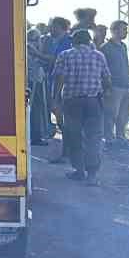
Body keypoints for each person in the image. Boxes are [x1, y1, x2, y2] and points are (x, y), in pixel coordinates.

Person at [51, 29, 111, 184]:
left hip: (72, 103)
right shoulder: (99, 56)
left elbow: (60, 78)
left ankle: (79, 171)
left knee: (75, 136)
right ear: (89, 41)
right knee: (93, 138)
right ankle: (92, 175)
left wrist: (55, 99)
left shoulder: (65, 55)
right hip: (93, 102)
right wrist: (104, 94)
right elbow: (107, 78)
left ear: (74, 41)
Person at [40, 17, 73, 161]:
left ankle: (68, 152)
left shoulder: (67, 43)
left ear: (60, 27)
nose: (50, 29)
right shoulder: (54, 41)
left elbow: (57, 62)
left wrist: (36, 53)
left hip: (64, 86)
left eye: (52, 26)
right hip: (55, 83)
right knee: (62, 119)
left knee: (65, 119)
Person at [100, 21, 129, 146]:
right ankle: (108, 136)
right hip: (113, 85)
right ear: (114, 31)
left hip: (126, 84)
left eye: (126, 29)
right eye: (123, 29)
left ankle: (121, 135)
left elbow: (126, 64)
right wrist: (106, 86)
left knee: (124, 113)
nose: (126, 32)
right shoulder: (105, 48)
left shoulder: (123, 46)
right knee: (111, 113)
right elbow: (103, 69)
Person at [27, 27, 49, 146]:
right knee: (35, 109)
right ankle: (35, 136)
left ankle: (36, 135)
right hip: (33, 82)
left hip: (36, 80)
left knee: (37, 109)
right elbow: (37, 62)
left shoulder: (31, 48)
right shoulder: (30, 48)